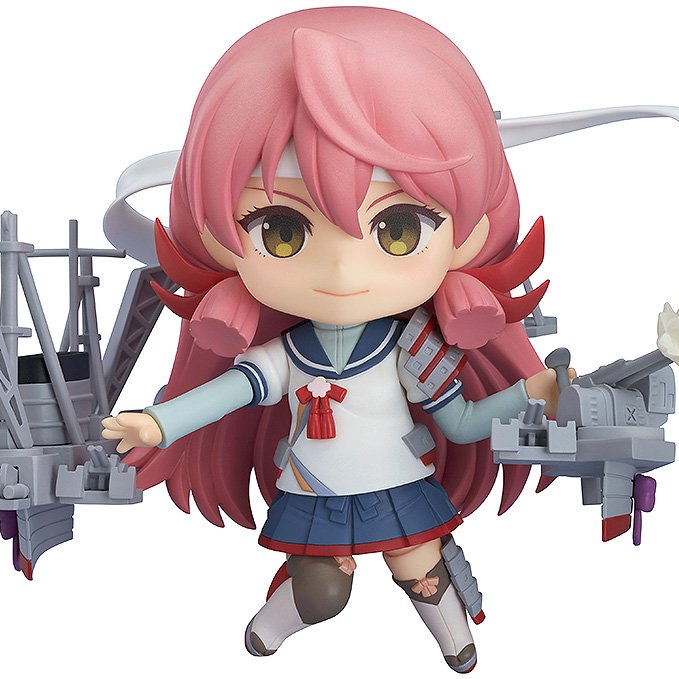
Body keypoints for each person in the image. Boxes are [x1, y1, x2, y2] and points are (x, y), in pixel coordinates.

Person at [101, 7, 580, 673]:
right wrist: (158, 423)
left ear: (467, 236)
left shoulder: (411, 347)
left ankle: (456, 641)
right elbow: (229, 393)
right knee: (323, 592)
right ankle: (270, 627)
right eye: (282, 232)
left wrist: (531, 391)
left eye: (398, 230)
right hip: (314, 488)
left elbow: (464, 423)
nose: (343, 272)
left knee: (422, 570)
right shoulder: (287, 355)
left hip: (397, 482)